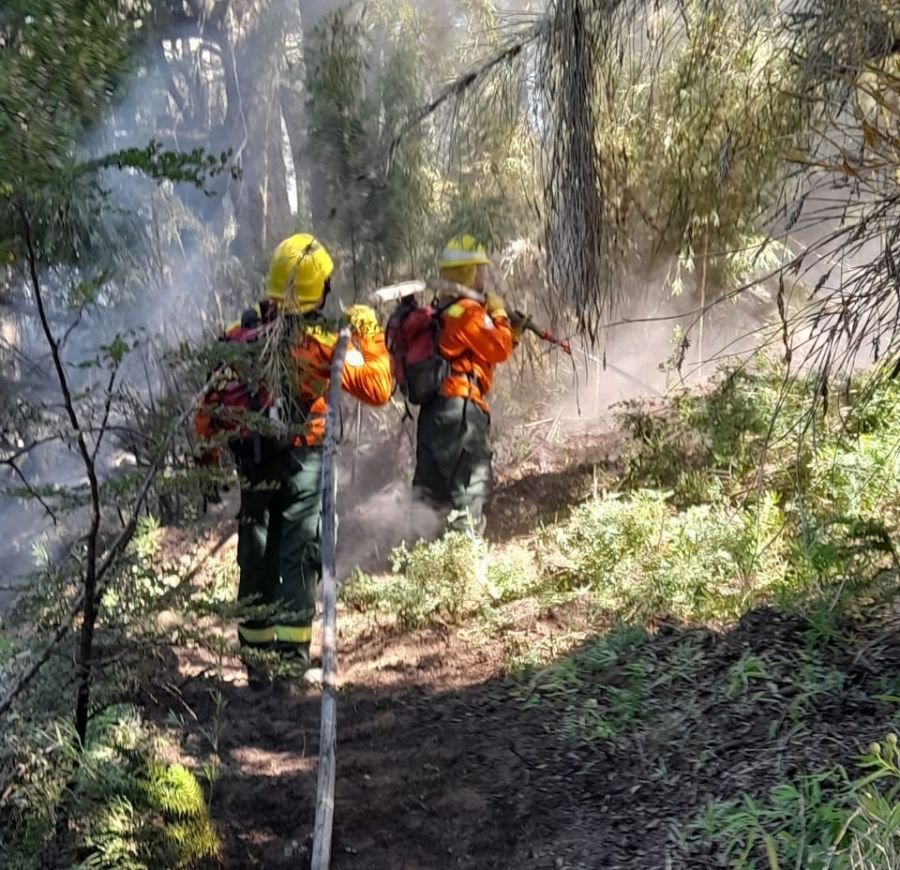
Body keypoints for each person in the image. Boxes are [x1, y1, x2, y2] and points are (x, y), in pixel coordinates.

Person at [196, 233, 392, 689]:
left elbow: (207, 408)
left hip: (252, 463)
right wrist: (370, 334)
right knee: (297, 557)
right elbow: (379, 388)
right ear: (316, 290)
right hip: (304, 462)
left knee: (256, 556)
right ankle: (289, 669)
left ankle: (256, 666)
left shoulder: (238, 337)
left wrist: (207, 460)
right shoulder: (319, 343)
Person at [412, 234, 521, 535]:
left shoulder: (442, 311)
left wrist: (511, 335)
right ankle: (464, 555)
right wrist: (499, 314)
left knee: (430, 498)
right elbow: (498, 348)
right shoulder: (468, 312)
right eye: (481, 269)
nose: (484, 275)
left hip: (433, 415)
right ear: (470, 272)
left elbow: (481, 352)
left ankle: (419, 556)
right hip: (459, 412)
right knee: (470, 490)